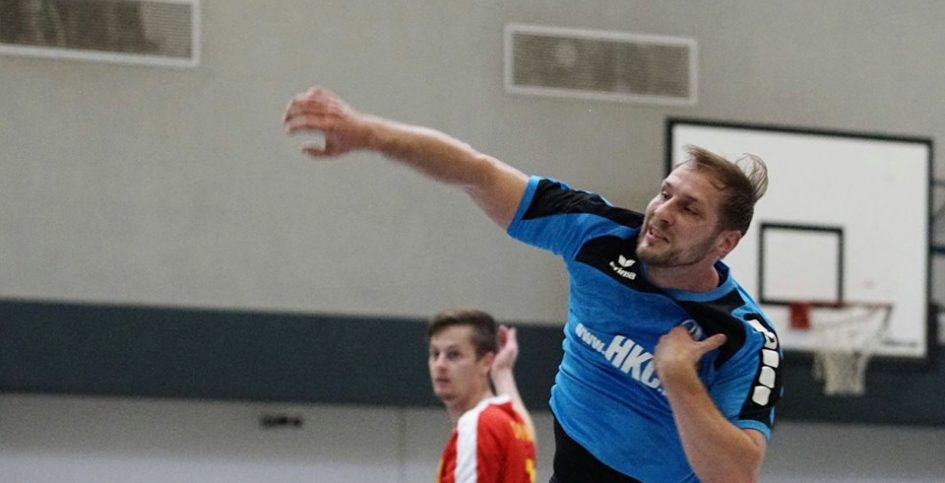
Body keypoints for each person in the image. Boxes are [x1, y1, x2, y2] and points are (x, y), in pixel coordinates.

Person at [283, 87, 782, 483]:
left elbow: (738, 474)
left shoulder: (744, 338)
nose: (663, 213)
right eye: (665, 193)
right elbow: (478, 172)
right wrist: (370, 135)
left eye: (689, 208)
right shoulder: (598, 235)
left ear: (726, 242)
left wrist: (679, 379)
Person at [427, 309, 537, 483]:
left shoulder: (476, 423)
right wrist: (502, 372)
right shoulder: (512, 423)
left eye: (454, 355)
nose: (440, 364)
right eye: (435, 354)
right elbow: (527, 431)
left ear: (486, 362)